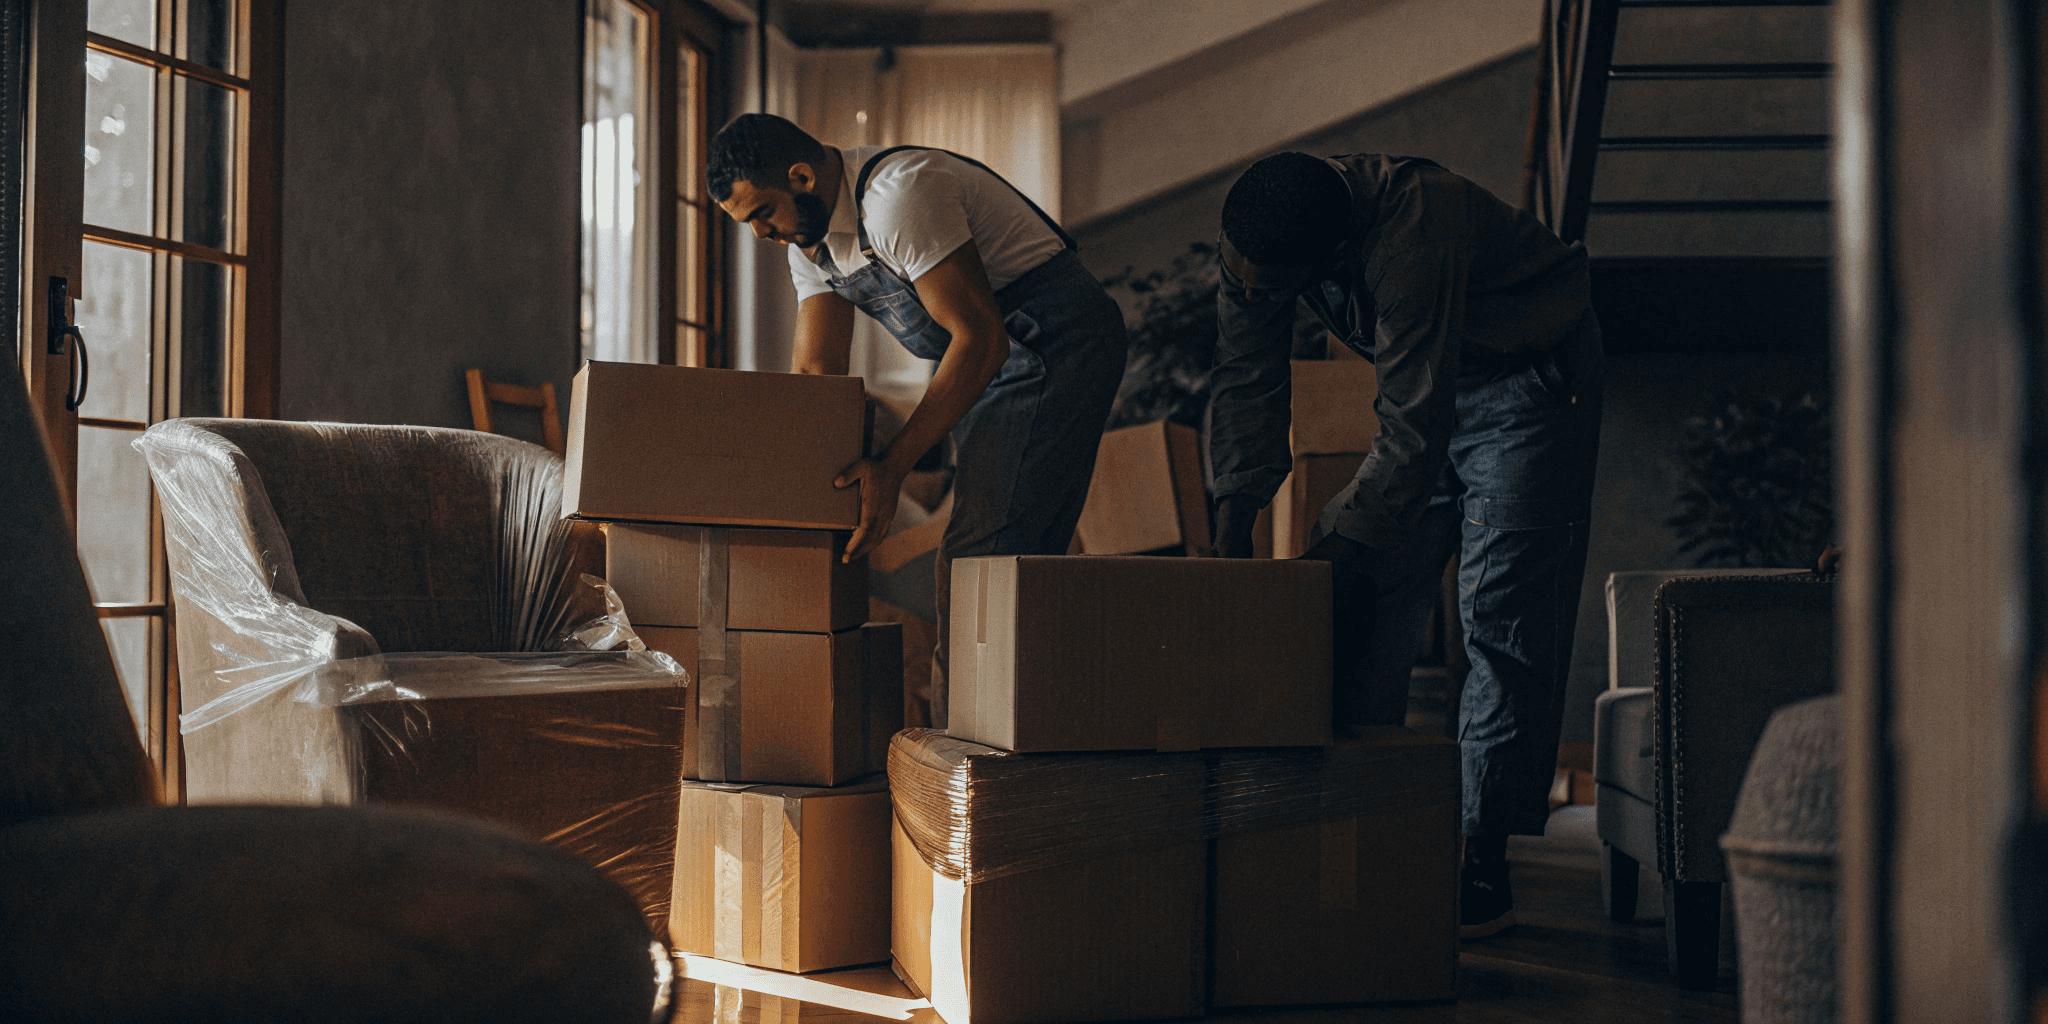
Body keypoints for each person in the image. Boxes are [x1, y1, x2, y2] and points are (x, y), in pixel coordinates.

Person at [1207, 151, 1603, 938]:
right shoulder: (1255, 239)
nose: (1254, 294)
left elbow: (1415, 436)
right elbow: (1246, 374)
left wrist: (1319, 570)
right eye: (1245, 281)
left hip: (1527, 384)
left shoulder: (1416, 231)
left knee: (1499, 616)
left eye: (1274, 288)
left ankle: (1483, 858)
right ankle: (1356, 827)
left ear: (1327, 261)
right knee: (1369, 593)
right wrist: (1231, 538)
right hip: (1434, 386)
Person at [706, 114, 1128, 727]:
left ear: (801, 177)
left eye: (762, 213)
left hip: (1054, 346)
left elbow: (981, 339)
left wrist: (892, 467)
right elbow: (817, 377)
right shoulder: (812, 248)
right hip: (996, 362)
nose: (761, 233)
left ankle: (966, 761)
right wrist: (789, 500)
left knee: (978, 561)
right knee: (1017, 561)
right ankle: (1045, 732)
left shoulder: (898, 196)